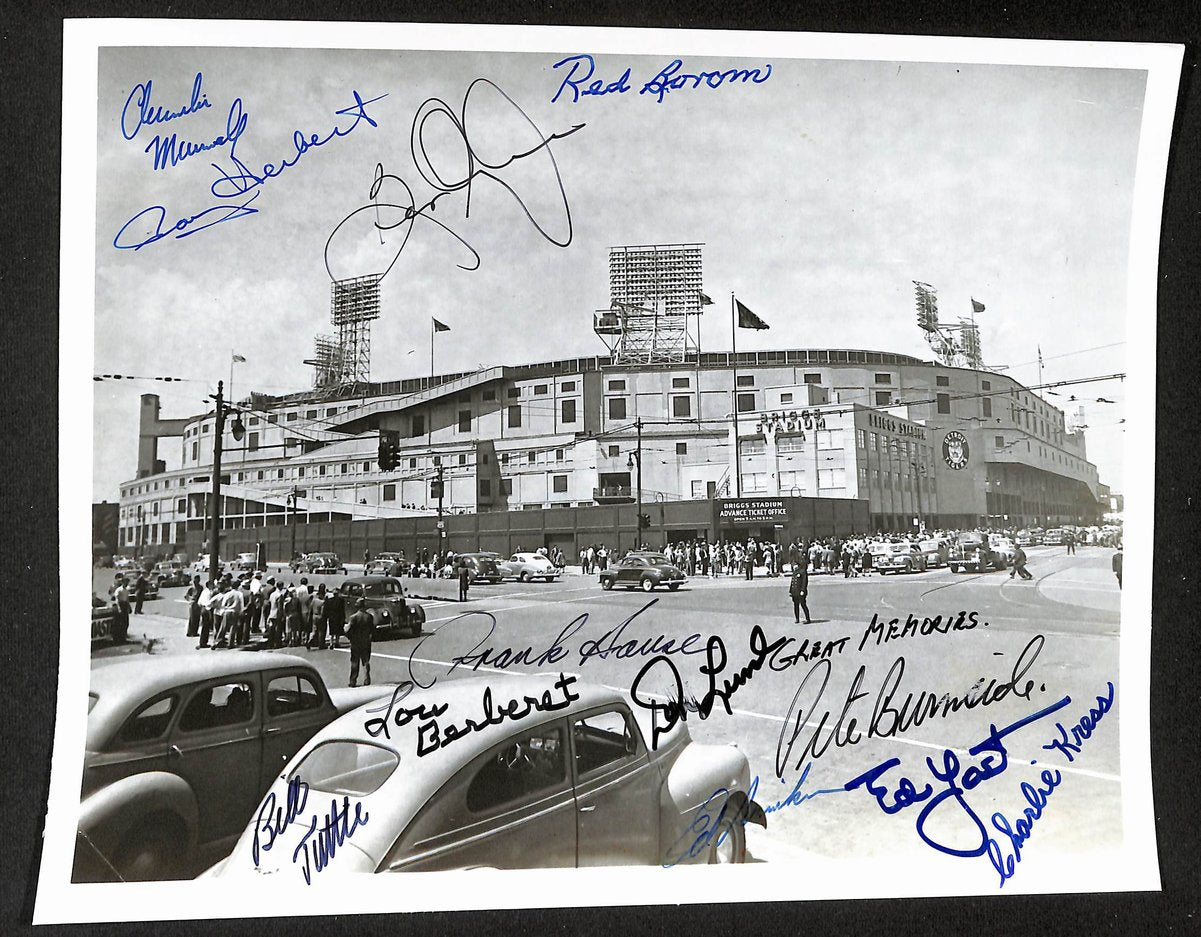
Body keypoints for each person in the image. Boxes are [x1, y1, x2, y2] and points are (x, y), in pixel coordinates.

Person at [346, 598, 374, 687]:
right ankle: (367, 678)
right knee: (365, 661)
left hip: (355, 642)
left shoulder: (353, 617)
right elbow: (372, 629)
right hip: (365, 641)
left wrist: (349, 637)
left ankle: (353, 680)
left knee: (354, 662)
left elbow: (348, 630)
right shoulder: (369, 617)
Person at [111, 574, 131, 644]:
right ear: (122, 582)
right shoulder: (119, 590)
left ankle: (124, 637)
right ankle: (119, 638)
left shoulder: (126, 590)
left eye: (127, 582)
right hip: (120, 605)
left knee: (126, 623)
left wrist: (129, 607)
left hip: (125, 605)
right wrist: (119, 608)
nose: (126, 583)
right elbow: (117, 599)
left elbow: (127, 599)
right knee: (120, 623)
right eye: (125, 582)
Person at [307, 584, 328, 649]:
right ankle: (321, 644)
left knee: (314, 630)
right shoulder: (322, 602)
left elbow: (310, 608)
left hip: (314, 615)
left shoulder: (314, 600)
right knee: (321, 631)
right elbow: (322, 611)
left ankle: (310, 640)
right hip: (319, 616)